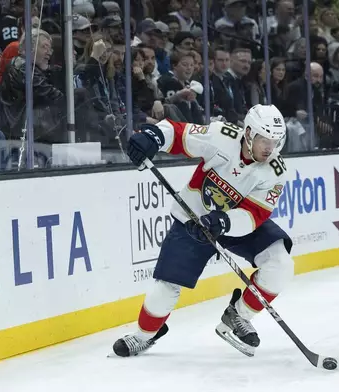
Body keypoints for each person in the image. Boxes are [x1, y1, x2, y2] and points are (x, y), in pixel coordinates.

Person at [113, 104, 293, 357]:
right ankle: (144, 336)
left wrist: (224, 222)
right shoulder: (222, 136)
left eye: (275, 142)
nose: (269, 148)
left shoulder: (275, 171)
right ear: (250, 133)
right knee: (165, 286)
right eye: (264, 139)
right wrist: (153, 137)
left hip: (235, 224)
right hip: (194, 219)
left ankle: (238, 316)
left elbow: (255, 214)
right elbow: (178, 134)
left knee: (281, 264)